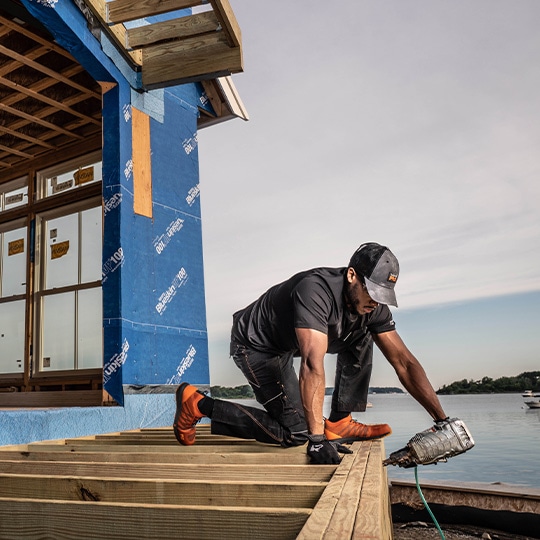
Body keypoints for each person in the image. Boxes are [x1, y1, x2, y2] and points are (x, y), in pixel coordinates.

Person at [173, 242, 448, 464]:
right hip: (256, 345)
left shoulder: (372, 307)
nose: (376, 303)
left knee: (367, 330)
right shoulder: (315, 290)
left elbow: (403, 361)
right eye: (373, 292)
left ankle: (340, 421)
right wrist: (317, 441)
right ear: (352, 275)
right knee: (296, 433)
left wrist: (442, 420)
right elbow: (312, 364)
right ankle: (198, 404)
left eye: (383, 295)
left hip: (288, 343)